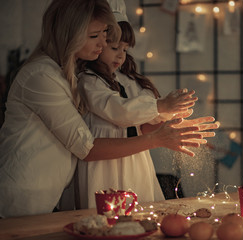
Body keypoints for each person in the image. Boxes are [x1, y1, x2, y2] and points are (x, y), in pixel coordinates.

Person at [0, 0, 217, 218]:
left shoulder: (76, 75)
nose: (102, 43)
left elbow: (127, 126)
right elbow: (87, 147)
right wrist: (158, 137)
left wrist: (169, 129)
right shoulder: (43, 76)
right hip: (21, 198)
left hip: (47, 193)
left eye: (105, 34)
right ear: (68, 33)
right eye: (95, 36)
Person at [76, 15, 218, 207]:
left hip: (135, 158)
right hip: (104, 162)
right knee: (106, 213)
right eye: (115, 48)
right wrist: (161, 106)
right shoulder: (89, 81)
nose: (121, 55)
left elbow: (144, 117)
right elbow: (119, 111)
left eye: (125, 49)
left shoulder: (127, 81)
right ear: (98, 45)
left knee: (139, 208)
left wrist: (170, 118)